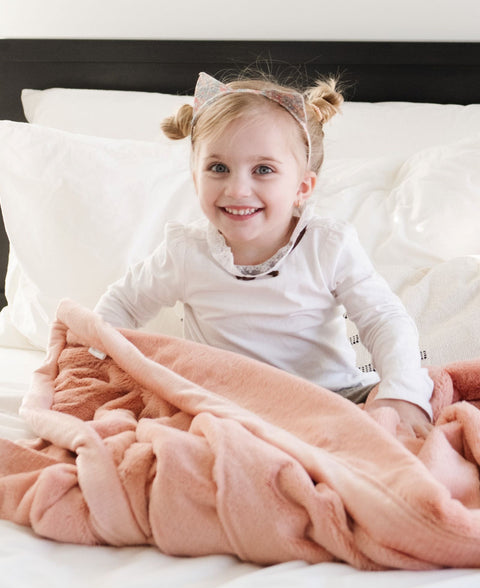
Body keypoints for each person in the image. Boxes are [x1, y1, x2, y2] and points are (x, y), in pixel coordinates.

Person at [94, 71, 434, 436]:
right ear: (195, 178)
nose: (238, 189)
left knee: (398, 424)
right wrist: (97, 362)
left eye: (264, 170)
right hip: (225, 409)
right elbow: (122, 306)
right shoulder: (185, 252)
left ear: (302, 187)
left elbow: (383, 319)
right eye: (218, 168)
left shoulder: (327, 245)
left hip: (332, 398)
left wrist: (401, 394)